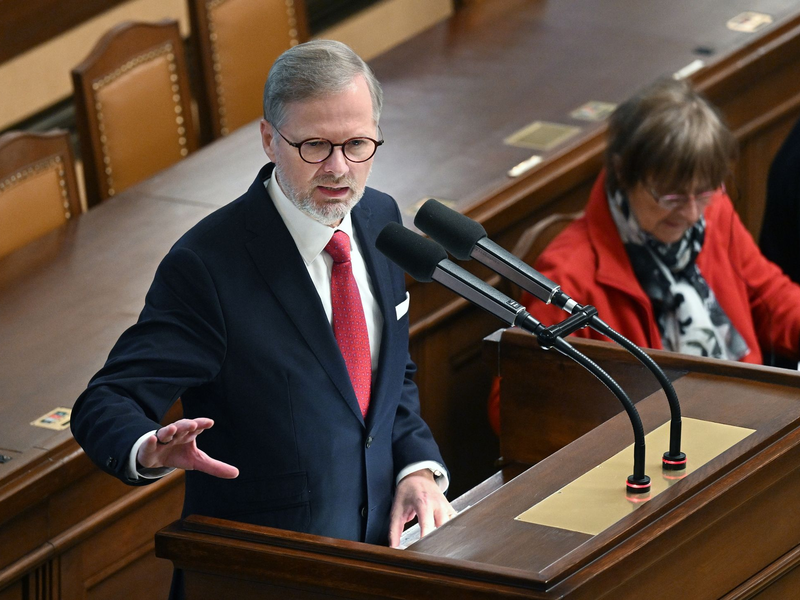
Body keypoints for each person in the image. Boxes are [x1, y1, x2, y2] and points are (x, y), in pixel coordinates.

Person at [71, 40, 455, 566]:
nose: (340, 169)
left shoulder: (380, 220)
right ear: (269, 140)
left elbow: (391, 379)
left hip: (378, 563)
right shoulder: (209, 267)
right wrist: (148, 447)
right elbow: (106, 399)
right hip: (262, 572)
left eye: (359, 144)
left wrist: (416, 468)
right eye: (315, 146)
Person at [489, 77, 800, 433]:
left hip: (748, 419)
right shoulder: (570, 273)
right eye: (671, 197)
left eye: (703, 193)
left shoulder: (714, 214)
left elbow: (770, 298)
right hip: (653, 450)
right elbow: (513, 405)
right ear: (624, 172)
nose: (692, 215)